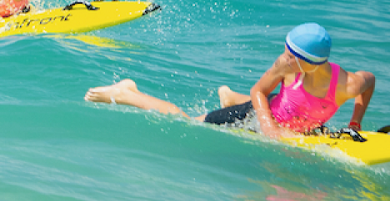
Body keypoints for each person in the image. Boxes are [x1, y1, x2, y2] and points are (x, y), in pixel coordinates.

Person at [85, 23, 376, 139]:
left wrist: (355, 122)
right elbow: (260, 91)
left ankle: (228, 96)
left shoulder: (348, 84)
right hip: (256, 115)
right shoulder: (286, 67)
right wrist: (267, 126)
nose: (283, 56)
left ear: (310, 64)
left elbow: (370, 81)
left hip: (293, 119)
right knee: (188, 122)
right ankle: (128, 92)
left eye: (291, 54)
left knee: (277, 103)